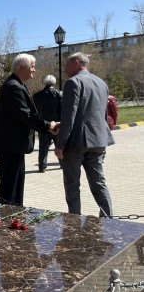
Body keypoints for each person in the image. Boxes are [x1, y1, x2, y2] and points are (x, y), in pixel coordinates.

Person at [0, 54, 58, 205]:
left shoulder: (17, 84)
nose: (34, 70)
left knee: (16, 188)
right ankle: (6, 222)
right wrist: (47, 125)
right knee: (10, 190)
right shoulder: (13, 87)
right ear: (22, 68)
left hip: (14, 146)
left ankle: (15, 219)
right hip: (10, 146)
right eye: (32, 66)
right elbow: (25, 116)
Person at [55, 52, 114, 217]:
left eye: (67, 65)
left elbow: (69, 117)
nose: (65, 69)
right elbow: (100, 114)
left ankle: (74, 220)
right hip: (98, 140)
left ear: (76, 62)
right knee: (99, 183)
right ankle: (108, 217)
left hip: (76, 142)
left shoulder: (73, 82)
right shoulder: (101, 83)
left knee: (72, 184)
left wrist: (60, 145)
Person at [33, 75, 63, 172]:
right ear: (54, 83)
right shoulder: (60, 94)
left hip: (43, 124)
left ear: (45, 83)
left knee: (43, 146)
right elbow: (63, 110)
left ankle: (42, 166)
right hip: (57, 124)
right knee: (59, 145)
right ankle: (63, 163)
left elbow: (34, 111)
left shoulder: (37, 95)